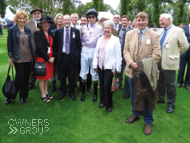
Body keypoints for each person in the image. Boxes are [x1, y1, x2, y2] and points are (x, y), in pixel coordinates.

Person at [124, 12, 161, 135]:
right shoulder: (129, 34)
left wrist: (141, 64)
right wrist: (131, 62)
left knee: (148, 96)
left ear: (147, 21)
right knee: (134, 95)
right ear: (135, 21)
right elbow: (125, 51)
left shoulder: (154, 35)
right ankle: (135, 114)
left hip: (147, 72)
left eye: (143, 20)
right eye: (138, 20)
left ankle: (148, 121)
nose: (140, 22)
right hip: (132, 70)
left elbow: (157, 55)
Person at [157, 13, 189, 113]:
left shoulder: (178, 31)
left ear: (169, 19)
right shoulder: (160, 31)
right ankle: (160, 98)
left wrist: (175, 54)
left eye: (162, 20)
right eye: (160, 20)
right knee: (160, 82)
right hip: (158, 61)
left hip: (170, 62)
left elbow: (185, 46)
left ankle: (171, 104)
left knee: (170, 85)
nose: (160, 22)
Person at [93, 20, 122, 113]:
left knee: (107, 85)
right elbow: (96, 53)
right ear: (103, 29)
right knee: (101, 84)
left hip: (110, 67)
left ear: (112, 29)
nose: (106, 29)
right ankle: (102, 101)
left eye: (108, 28)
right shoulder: (99, 39)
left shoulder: (116, 40)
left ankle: (109, 104)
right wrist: (95, 64)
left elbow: (118, 55)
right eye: (105, 28)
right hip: (100, 66)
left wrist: (118, 68)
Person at [6, 10, 33, 104]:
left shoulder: (28, 30)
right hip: (18, 57)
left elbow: (29, 44)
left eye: (23, 18)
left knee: (26, 79)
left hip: (28, 57)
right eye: (20, 18)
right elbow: (9, 44)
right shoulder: (12, 30)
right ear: (17, 19)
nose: (22, 20)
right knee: (19, 78)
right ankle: (10, 95)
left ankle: (23, 96)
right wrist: (10, 58)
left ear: (26, 19)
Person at [55, 14, 81, 101]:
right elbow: (56, 45)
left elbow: (78, 44)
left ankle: (72, 92)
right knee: (62, 76)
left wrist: (76, 55)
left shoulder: (75, 31)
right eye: (65, 20)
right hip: (62, 57)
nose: (66, 21)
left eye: (68, 20)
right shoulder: (58, 31)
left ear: (70, 21)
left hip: (71, 57)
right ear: (62, 21)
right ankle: (63, 92)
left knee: (72, 76)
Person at [80, 8, 104, 102]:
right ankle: (83, 93)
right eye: (89, 18)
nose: (91, 19)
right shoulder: (84, 28)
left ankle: (95, 94)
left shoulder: (100, 28)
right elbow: (81, 39)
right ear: (87, 18)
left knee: (94, 72)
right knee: (83, 72)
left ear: (96, 18)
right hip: (85, 50)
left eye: (93, 17)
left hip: (95, 51)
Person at [34, 16, 55, 102]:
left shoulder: (50, 34)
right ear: (41, 24)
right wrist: (47, 58)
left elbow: (53, 46)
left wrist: (53, 56)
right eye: (45, 23)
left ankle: (46, 92)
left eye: (48, 23)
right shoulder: (37, 33)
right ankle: (42, 94)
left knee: (47, 77)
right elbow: (39, 47)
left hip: (50, 58)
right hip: (42, 58)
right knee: (41, 77)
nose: (47, 25)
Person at [25, 6, 42, 90]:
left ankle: (41, 83)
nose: (37, 15)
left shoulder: (44, 22)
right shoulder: (27, 24)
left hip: (42, 51)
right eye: (35, 13)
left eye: (38, 13)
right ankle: (30, 83)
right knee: (31, 68)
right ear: (32, 14)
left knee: (41, 67)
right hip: (31, 50)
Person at [117, 15, 133, 99]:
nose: (123, 22)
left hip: (128, 56)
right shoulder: (119, 30)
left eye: (125, 20)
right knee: (118, 72)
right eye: (122, 20)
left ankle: (127, 91)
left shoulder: (131, 30)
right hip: (119, 55)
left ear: (128, 21)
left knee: (127, 74)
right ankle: (117, 86)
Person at [49, 13, 64, 93]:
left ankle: (62, 86)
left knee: (62, 70)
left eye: (61, 19)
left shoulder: (65, 29)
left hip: (63, 52)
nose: (59, 20)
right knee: (54, 70)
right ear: (55, 20)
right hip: (54, 51)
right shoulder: (52, 29)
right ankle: (53, 87)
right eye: (58, 19)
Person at [177, 17, 190, 90]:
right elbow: (181, 39)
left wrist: (186, 39)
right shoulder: (184, 29)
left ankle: (187, 83)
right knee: (181, 67)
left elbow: (185, 38)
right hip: (184, 51)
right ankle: (179, 82)